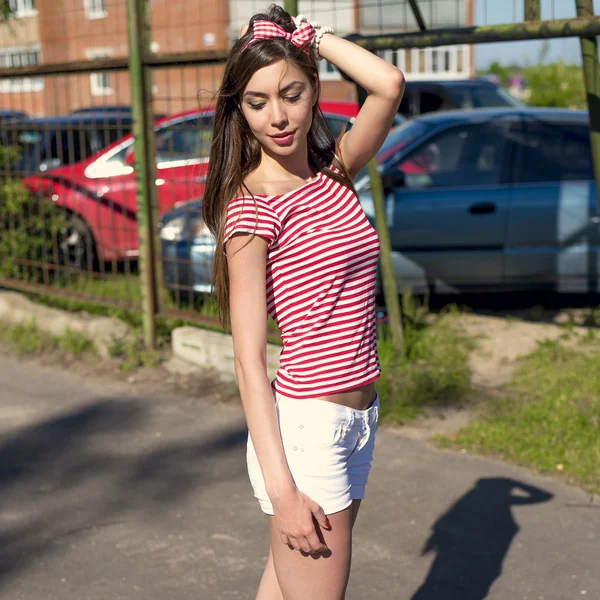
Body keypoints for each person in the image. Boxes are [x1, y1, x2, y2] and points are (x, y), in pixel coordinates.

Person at [202, 5, 404, 599]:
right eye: (257, 102)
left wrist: (313, 37)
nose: (278, 116)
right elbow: (247, 361)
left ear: (314, 90)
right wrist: (283, 491)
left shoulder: (332, 171)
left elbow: (388, 84)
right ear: (239, 109)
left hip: (357, 418)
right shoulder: (251, 208)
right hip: (308, 433)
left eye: (291, 93)